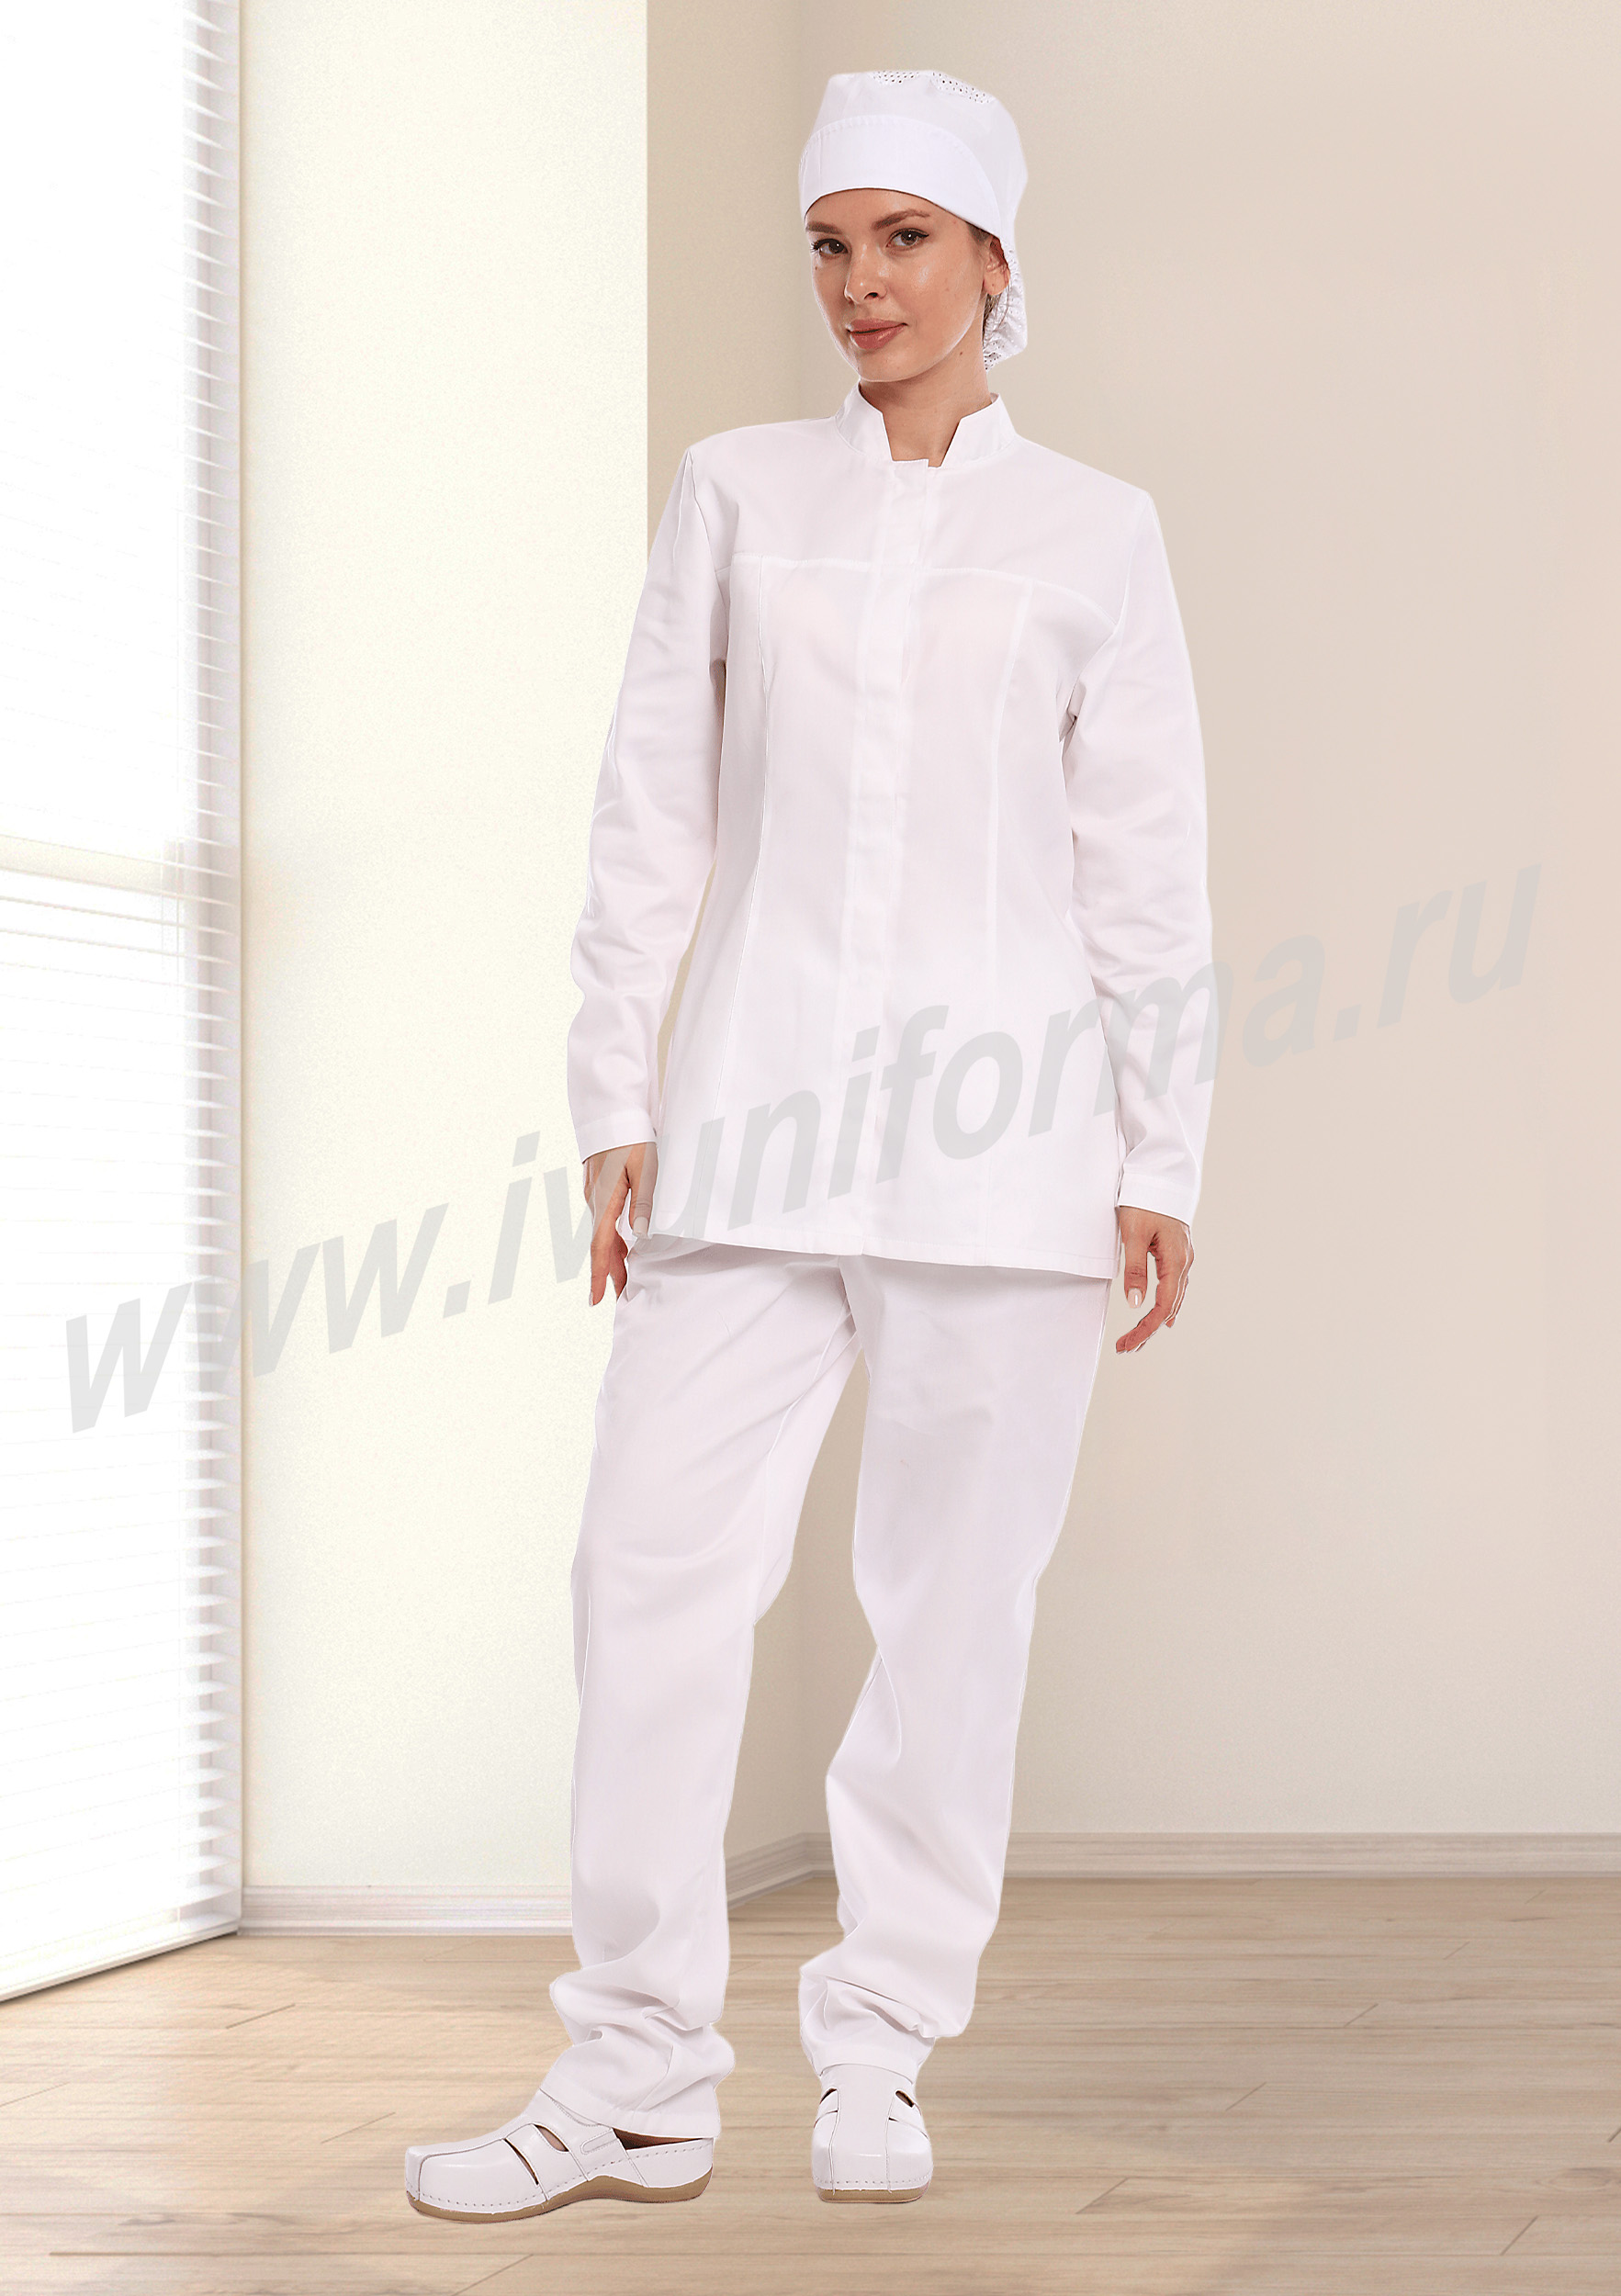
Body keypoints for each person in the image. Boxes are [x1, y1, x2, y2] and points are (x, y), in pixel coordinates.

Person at [405, 65, 1215, 2223]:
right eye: (832, 246)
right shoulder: (737, 493)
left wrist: (1164, 1153)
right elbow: (647, 806)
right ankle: (636, 2073)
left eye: (904, 239)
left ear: (993, 256)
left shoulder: (1095, 535)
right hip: (749, 1133)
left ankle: (880, 2048)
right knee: (646, 1579)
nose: (861, 284)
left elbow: (1146, 867)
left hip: (1007, 1156)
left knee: (950, 1617)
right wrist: (613, 1094)